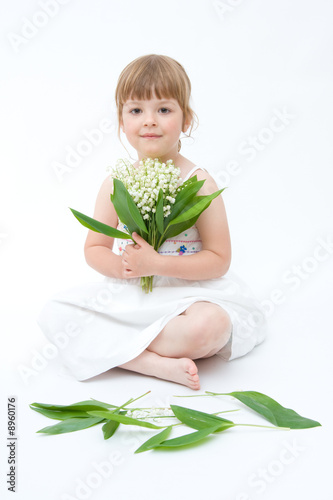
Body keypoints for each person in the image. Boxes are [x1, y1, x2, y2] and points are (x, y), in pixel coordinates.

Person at [38, 54, 266, 390]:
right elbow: (94, 247)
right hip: (133, 297)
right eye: (136, 110)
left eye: (164, 109)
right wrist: (126, 269)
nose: (149, 121)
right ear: (121, 120)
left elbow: (219, 260)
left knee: (211, 326)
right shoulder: (118, 183)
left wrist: (158, 263)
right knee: (54, 312)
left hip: (189, 298)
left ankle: (120, 350)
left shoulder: (198, 182)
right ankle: (150, 364)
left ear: (186, 120)